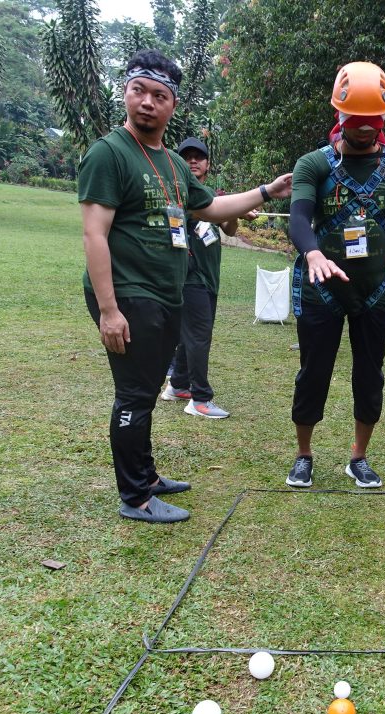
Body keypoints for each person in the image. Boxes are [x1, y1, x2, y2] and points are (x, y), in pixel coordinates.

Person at [80, 49, 291, 523]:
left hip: (165, 294)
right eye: (139, 91)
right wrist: (110, 310)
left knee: (150, 386)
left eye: (159, 95)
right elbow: (94, 234)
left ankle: (147, 476)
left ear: (172, 104)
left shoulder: (174, 164)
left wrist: (266, 192)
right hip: (128, 294)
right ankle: (136, 497)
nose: (147, 102)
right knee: (134, 394)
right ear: (125, 93)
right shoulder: (108, 153)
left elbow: (211, 208)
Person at [285, 61, 385, 489]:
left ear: (383, 118)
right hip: (321, 291)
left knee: (370, 377)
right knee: (313, 373)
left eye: (373, 121)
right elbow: (298, 218)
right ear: (339, 114)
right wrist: (312, 252)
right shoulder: (314, 164)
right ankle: (304, 454)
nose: (365, 129)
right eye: (356, 120)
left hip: (375, 291)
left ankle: (358, 457)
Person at [160, 137, 253, 419]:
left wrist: (235, 212)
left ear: (207, 164)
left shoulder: (210, 194)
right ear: (177, 163)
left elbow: (230, 229)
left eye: (198, 157)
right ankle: (200, 399)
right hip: (190, 276)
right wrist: (236, 205)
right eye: (186, 157)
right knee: (199, 336)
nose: (193, 161)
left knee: (192, 334)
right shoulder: (177, 193)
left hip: (209, 277)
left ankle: (178, 385)